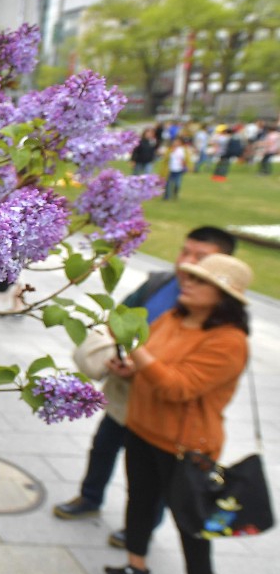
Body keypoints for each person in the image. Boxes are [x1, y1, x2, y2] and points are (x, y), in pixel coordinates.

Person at [52, 227, 237, 548]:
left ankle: (140, 531)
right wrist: (117, 352)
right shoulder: (160, 285)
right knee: (105, 446)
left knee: (153, 480)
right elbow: (119, 320)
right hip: (126, 394)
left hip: (166, 413)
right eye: (185, 252)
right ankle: (90, 497)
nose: (187, 264)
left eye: (200, 258)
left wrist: (138, 358)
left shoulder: (220, 324)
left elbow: (185, 377)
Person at [95, 253, 252, 574]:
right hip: (142, 427)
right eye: (189, 276)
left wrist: (137, 348)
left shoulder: (230, 341)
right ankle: (137, 566)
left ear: (223, 296)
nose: (187, 282)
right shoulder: (172, 318)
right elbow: (152, 370)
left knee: (189, 519)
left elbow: (178, 387)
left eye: (200, 281)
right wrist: (130, 369)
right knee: (139, 500)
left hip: (186, 445)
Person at [163, 132, 189, 200]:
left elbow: (186, 159)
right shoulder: (169, 150)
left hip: (179, 169)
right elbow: (165, 159)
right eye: (175, 142)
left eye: (178, 142)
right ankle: (166, 196)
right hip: (170, 169)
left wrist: (186, 165)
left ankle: (175, 194)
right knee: (168, 184)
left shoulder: (183, 150)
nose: (176, 143)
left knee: (177, 184)